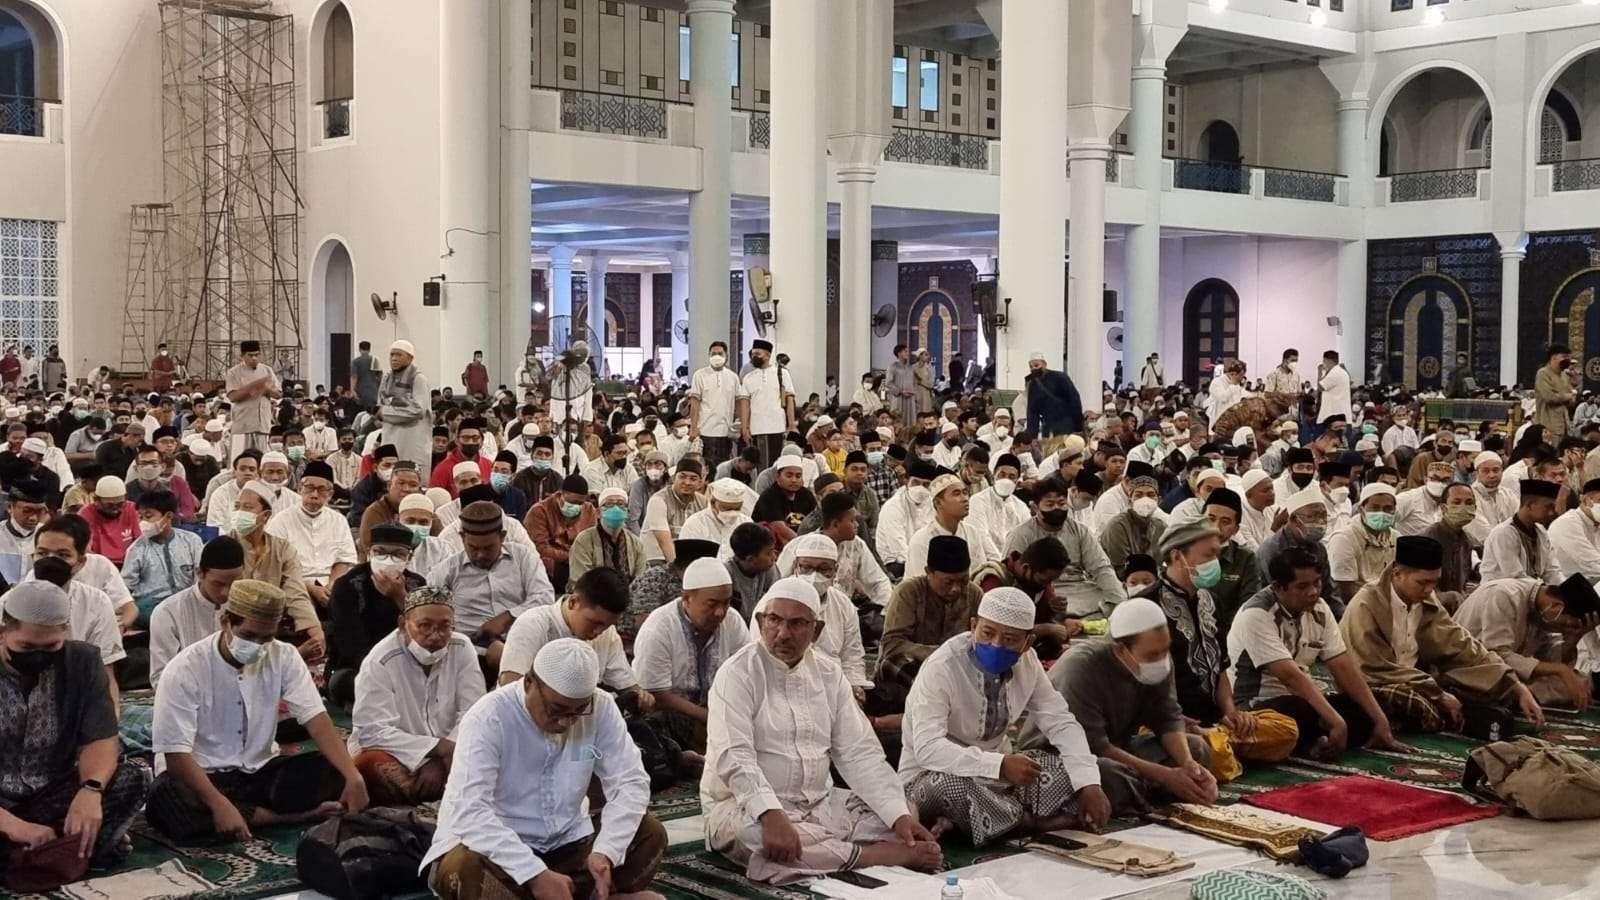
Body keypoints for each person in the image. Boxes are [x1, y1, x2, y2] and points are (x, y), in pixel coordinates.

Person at [703, 577, 941, 885]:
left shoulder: (829, 674)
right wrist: (770, 814)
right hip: (742, 807)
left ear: (817, 630)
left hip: (820, 804)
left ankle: (836, 850)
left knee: (902, 810)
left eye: (797, 623)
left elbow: (858, 752)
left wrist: (898, 815)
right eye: (774, 620)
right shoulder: (737, 673)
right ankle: (878, 855)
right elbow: (734, 755)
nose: (783, 633)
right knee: (758, 838)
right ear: (761, 621)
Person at [420, 639, 666, 900]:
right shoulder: (488, 717)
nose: (566, 721)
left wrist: (606, 851)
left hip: (568, 843)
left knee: (649, 833)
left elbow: (630, 782)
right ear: (528, 683)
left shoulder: (601, 707)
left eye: (578, 711)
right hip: (496, 849)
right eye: (556, 709)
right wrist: (534, 874)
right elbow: (469, 812)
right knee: (462, 867)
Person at [146, 580, 369, 843]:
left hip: (259, 770)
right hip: (203, 775)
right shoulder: (184, 669)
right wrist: (219, 804)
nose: (259, 646)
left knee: (333, 769)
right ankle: (284, 817)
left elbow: (316, 718)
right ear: (226, 622)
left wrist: (352, 776)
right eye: (250, 636)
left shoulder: (283, 655)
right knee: (167, 797)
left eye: (267, 638)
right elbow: (175, 754)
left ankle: (248, 814)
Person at [900, 588, 1110, 845]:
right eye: (988, 633)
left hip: (1001, 777)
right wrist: (998, 765)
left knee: (1077, 770)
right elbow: (928, 749)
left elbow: (1060, 720)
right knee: (951, 787)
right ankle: (1028, 823)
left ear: (1027, 643)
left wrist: (1089, 784)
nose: (997, 644)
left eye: (1010, 639)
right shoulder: (942, 667)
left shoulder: (1028, 662)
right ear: (974, 626)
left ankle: (992, 819)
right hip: (931, 776)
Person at [0, 582, 151, 870]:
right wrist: (15, 827)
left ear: (64, 633)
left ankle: (49, 848)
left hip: (49, 795)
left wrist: (91, 791)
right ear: (3, 631)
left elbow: (101, 736)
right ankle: (67, 847)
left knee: (133, 777)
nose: (38, 656)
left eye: (50, 647)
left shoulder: (82, 661)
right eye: (27, 647)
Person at [1018, 598, 1217, 814]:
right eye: (1153, 655)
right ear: (1121, 650)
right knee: (1109, 775)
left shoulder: (1157, 660)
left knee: (1197, 748)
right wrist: (1166, 776)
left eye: (1165, 650)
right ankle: (1145, 794)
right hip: (1061, 757)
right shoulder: (1081, 667)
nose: (1161, 659)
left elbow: (1167, 718)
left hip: (1120, 748)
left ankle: (1140, 793)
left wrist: (1188, 765)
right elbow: (1093, 747)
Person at [1340, 535, 1544, 733]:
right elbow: (1373, 668)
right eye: (1422, 582)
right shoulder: (1367, 603)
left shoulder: (1426, 600)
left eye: (1434, 583)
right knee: (1416, 704)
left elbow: (1460, 645)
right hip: (1374, 684)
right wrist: (1438, 694)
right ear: (1397, 574)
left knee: (1486, 688)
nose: (1430, 590)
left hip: (1420, 680)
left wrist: (1515, 685)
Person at [1230, 548, 1407, 759]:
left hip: (1306, 701)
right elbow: (1290, 676)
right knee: (1298, 712)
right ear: (1278, 587)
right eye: (1303, 586)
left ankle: (1316, 742)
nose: (1313, 592)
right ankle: (1314, 741)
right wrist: (1336, 721)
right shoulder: (1257, 614)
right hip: (1258, 707)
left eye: (1317, 583)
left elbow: (1342, 666)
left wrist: (1379, 720)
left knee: (1376, 703)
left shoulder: (1320, 608)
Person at [349, 587, 484, 806]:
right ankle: (453, 791)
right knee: (370, 765)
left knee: (501, 750)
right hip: (401, 755)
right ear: (403, 624)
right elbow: (372, 732)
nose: (436, 635)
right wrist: (432, 752)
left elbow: (474, 712)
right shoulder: (380, 661)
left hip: (453, 751)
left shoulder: (462, 648)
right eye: (425, 626)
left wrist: (444, 756)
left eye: (444, 627)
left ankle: (447, 788)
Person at [631, 557, 749, 754]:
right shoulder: (659, 628)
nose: (720, 612)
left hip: (719, 707)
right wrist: (708, 716)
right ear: (686, 598)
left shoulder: (732, 621)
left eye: (726, 603)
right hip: (671, 713)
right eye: (711, 604)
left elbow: (745, 669)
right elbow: (656, 693)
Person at [426, 500, 555, 671]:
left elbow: (544, 597)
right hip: (468, 653)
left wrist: (508, 617)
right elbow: (430, 614)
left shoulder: (522, 557)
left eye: (488, 548)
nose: (480, 555)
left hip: (522, 641)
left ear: (502, 536)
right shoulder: (446, 571)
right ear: (462, 537)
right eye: (473, 548)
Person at [1454, 574, 1600, 709]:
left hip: (1508, 674)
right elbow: (1495, 656)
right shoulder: (1504, 595)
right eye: (1567, 625)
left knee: (1578, 681)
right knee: (1563, 679)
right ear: (1557, 606)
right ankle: (1515, 697)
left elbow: (1547, 661)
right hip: (1471, 669)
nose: (1563, 630)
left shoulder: (1543, 611)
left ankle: (1519, 695)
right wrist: (1561, 670)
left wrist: (1574, 638)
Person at [230, 480, 325, 662]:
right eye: (237, 507)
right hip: (235, 626)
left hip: (271, 625)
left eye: (247, 507)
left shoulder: (282, 549)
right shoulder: (225, 546)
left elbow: (295, 592)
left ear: (265, 516)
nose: (239, 513)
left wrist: (315, 630)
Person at [1005, 477, 1124, 617]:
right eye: (1050, 504)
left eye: (1061, 503)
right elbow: (1010, 574)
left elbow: (1101, 567)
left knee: (1115, 596)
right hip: (1042, 590)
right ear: (1036, 507)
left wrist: (1119, 601)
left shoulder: (1080, 530)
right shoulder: (1021, 534)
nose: (1057, 508)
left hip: (1080, 587)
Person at [148, 537, 245, 687]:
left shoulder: (246, 606)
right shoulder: (167, 613)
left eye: (234, 583)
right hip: (188, 698)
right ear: (200, 573)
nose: (226, 592)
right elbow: (161, 677)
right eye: (218, 584)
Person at [266, 460, 356, 612]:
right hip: (295, 586)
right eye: (310, 488)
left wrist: (333, 585)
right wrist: (310, 589)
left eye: (321, 490)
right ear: (300, 488)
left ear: (330, 494)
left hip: (332, 585)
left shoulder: (338, 520)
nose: (314, 495)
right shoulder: (281, 521)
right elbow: (276, 567)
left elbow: (344, 560)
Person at [120, 490, 203, 624]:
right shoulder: (136, 549)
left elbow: (201, 576)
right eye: (140, 517)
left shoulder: (191, 541)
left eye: (148, 516)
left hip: (186, 600)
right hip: (151, 606)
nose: (143, 522)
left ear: (168, 516)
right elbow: (126, 586)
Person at [1480, 477, 1562, 583]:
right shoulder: (1504, 533)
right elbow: (1515, 577)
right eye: (1548, 507)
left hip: (1531, 591)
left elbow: (1552, 571)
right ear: (1529, 505)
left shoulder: (1540, 531)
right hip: (1501, 595)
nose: (1551, 513)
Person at [1327, 482, 1398, 604]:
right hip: (1357, 606)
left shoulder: (1396, 537)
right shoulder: (1344, 539)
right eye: (1375, 508)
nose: (1381, 513)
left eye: (1388, 509)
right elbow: (1344, 593)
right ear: (1362, 509)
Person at [524, 474, 596, 593]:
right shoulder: (539, 511)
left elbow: (592, 542)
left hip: (581, 564)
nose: (576, 506)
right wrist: (572, 557)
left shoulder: (588, 510)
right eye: (572, 502)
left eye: (580, 503)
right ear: (560, 494)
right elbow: (540, 548)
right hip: (550, 568)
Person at [569, 487, 646, 586]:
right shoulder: (583, 541)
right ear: (598, 513)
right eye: (609, 504)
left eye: (620, 504)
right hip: (592, 597)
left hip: (629, 597)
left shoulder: (636, 543)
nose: (615, 509)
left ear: (627, 512)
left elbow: (642, 580)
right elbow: (580, 581)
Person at [738, 340, 796, 468]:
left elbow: (789, 399)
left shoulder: (782, 373)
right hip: (757, 428)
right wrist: (744, 428)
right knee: (760, 465)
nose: (754, 357)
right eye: (753, 354)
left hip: (778, 427)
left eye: (758, 353)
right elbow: (744, 405)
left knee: (777, 465)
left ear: (768, 355)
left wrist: (791, 425)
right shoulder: (748, 378)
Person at [377, 340, 433, 471]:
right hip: (390, 438)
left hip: (412, 442)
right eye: (392, 355)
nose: (394, 358)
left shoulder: (418, 378)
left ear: (410, 358)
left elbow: (417, 411)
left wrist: (385, 413)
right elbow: (379, 406)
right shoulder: (386, 378)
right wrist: (385, 411)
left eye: (399, 355)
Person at [640, 458, 708, 565]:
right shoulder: (658, 500)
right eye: (682, 477)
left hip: (687, 558)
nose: (687, 482)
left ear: (700, 483)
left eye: (693, 479)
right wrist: (679, 569)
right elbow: (664, 542)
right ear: (673, 478)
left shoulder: (703, 502)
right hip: (657, 558)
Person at [688, 340, 740, 474]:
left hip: (725, 432)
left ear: (726, 356)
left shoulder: (733, 377)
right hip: (705, 431)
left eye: (720, 353)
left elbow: (739, 402)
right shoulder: (700, 375)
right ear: (709, 355)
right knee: (706, 469)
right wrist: (693, 428)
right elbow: (695, 403)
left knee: (723, 470)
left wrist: (739, 424)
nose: (716, 356)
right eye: (713, 353)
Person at [224, 340, 281, 456]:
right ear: (242, 356)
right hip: (242, 426)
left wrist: (265, 389)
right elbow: (232, 397)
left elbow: (278, 394)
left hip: (263, 425)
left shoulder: (267, 370)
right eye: (250, 355)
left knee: (260, 461)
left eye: (256, 355)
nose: (254, 358)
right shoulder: (234, 372)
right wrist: (253, 387)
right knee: (240, 459)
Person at [357, 460, 422, 554]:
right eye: (401, 483)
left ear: (419, 490)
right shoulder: (375, 511)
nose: (406, 489)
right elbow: (371, 550)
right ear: (389, 486)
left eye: (413, 485)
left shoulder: (425, 510)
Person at [1427, 482, 1479, 598]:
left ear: (1475, 508)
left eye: (1469, 503)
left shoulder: (1467, 540)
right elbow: (1422, 586)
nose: (1463, 507)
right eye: (1457, 502)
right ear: (1443, 508)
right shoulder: (1430, 538)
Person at [77, 476, 139, 567]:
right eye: (109, 505)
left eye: (120, 504)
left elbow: (140, 541)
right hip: (99, 564)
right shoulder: (85, 514)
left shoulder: (131, 508)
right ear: (96, 500)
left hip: (129, 563)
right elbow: (84, 550)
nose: (115, 510)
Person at [1023, 352, 1084, 441]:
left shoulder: (1060, 377)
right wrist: (1032, 437)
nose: (1034, 369)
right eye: (1031, 367)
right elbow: (1032, 412)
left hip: (1066, 425)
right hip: (1047, 427)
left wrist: (1078, 427)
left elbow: (1075, 401)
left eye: (1036, 365)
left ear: (1044, 364)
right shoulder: (1033, 385)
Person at [725, 523, 779, 620]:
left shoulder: (769, 569)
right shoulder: (726, 575)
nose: (774, 557)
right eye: (768, 553)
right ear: (750, 559)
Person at [1535, 344, 1576, 440]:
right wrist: (1569, 396)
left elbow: (1572, 400)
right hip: (1549, 427)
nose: (1567, 360)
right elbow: (1550, 397)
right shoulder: (1543, 373)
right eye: (1564, 357)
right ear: (1553, 357)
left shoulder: (1564, 375)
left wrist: (1568, 396)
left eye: (1568, 357)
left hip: (1564, 425)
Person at [1315, 350, 1351, 427]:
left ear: (1327, 360)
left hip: (1333, 416)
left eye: (1324, 361)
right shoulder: (1340, 371)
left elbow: (1320, 387)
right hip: (1339, 414)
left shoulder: (1335, 372)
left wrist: (1319, 372)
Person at [351, 340, 380, 409]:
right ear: (369, 349)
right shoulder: (375, 360)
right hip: (373, 390)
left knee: (361, 411)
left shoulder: (356, 361)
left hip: (361, 390)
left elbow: (354, 377)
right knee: (372, 411)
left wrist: (352, 390)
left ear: (359, 349)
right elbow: (379, 376)